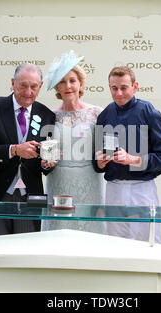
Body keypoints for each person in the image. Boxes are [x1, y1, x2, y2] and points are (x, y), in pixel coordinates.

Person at [93, 66, 161, 242]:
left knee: (148, 242)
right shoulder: (105, 115)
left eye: (124, 87)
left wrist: (134, 159)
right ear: (109, 87)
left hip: (142, 188)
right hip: (113, 189)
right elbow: (95, 159)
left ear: (135, 86)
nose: (119, 93)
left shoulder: (148, 112)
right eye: (114, 88)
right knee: (115, 243)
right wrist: (99, 162)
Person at [0, 63, 56, 236]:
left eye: (34, 86)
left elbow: (47, 167)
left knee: (30, 251)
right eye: (23, 86)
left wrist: (48, 163)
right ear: (13, 83)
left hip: (33, 196)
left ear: (40, 86)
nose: (28, 92)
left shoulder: (47, 115)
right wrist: (13, 150)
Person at [42, 50, 105, 234]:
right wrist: (46, 164)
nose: (68, 85)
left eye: (72, 80)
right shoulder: (49, 116)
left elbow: (103, 151)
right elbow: (47, 155)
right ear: (57, 87)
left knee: (90, 229)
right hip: (59, 183)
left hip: (90, 182)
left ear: (81, 83)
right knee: (59, 229)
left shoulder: (97, 113)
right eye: (62, 81)